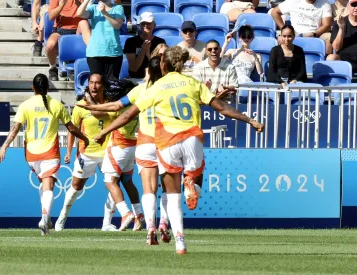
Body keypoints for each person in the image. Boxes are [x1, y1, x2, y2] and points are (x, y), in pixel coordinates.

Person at [93, 46, 264, 254]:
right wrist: (249, 119)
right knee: (197, 172)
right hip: (192, 137)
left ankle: (180, 241)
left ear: (164, 64)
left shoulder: (155, 87)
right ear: (182, 64)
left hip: (168, 143)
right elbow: (220, 106)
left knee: (171, 195)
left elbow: (128, 115)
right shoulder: (193, 83)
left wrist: (105, 132)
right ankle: (193, 185)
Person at [77, 57, 172, 244]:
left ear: (148, 72)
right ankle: (156, 220)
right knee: (161, 184)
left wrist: (90, 106)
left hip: (129, 145)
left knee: (113, 180)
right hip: (161, 140)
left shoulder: (140, 92)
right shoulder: (169, 89)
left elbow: (116, 109)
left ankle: (129, 214)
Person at [0, 73, 89, 236]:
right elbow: (72, 128)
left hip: (31, 155)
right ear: (48, 88)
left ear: (33, 87)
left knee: (44, 185)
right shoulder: (56, 105)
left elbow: (15, 129)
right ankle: (45, 218)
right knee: (48, 187)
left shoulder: (25, 105)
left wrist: (4, 146)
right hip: (50, 153)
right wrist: (85, 139)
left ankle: (46, 222)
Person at [55, 74, 135, 232]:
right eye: (91, 83)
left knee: (113, 184)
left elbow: (108, 116)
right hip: (87, 153)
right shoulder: (80, 106)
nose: (94, 86)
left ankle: (107, 223)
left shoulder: (111, 104)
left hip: (108, 151)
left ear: (103, 86)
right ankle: (62, 216)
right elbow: (73, 129)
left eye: (97, 83)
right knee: (76, 187)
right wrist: (69, 151)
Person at [77, 0, 125, 78]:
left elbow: (117, 25)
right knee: (97, 82)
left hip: (113, 52)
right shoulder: (93, 8)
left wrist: (104, 13)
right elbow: (79, 13)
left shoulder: (118, 8)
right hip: (95, 53)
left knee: (112, 85)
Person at [46, 0, 91, 81]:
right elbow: (50, 17)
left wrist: (78, 3)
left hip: (78, 29)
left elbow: (89, 15)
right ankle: (53, 68)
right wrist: (62, 4)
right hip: (61, 29)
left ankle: (94, 54)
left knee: (84, 22)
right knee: (50, 45)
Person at [123, 12, 166, 82]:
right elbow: (134, 68)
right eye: (143, 23)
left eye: (148, 23)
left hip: (155, 78)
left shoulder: (160, 42)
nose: (145, 26)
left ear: (154, 25)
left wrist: (148, 54)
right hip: (135, 78)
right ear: (139, 25)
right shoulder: (131, 42)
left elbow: (159, 66)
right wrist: (143, 50)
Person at [327, 0, 357, 74]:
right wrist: (341, 28)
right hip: (344, 60)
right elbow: (336, 48)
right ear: (348, 6)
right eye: (353, 5)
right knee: (331, 58)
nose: (356, 8)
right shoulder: (339, 23)